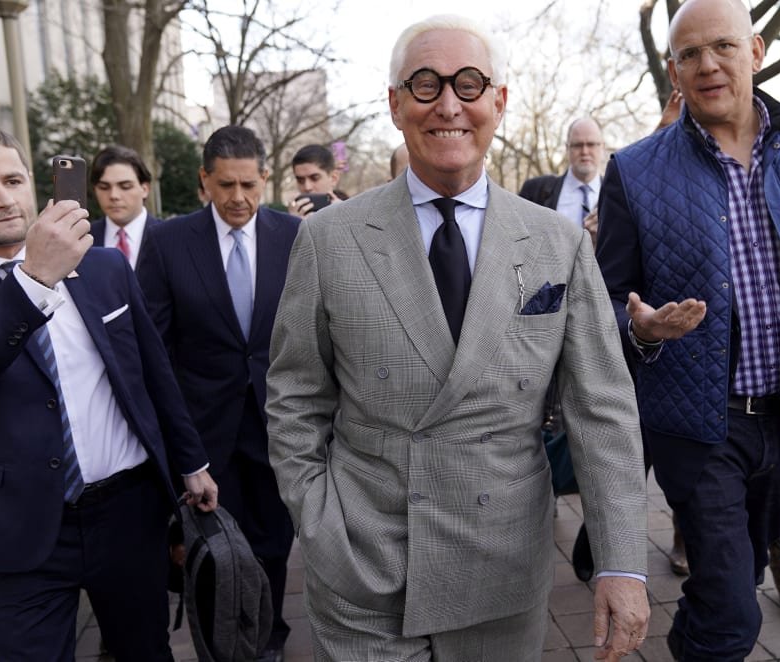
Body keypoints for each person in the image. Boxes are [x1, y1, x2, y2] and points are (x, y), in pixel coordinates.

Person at [266, 14, 649, 662]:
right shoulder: (330, 239)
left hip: (500, 570)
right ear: (394, 105)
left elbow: (602, 408)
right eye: (425, 84)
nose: (449, 104)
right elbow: (295, 396)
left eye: (469, 84)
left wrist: (622, 563)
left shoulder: (557, 243)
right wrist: (319, 519)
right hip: (367, 567)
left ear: (499, 101)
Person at [594, 0, 780, 659]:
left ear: (755, 52)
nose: (708, 65)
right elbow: (607, 301)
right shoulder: (635, 170)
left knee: (736, 577)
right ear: (674, 72)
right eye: (689, 55)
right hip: (700, 429)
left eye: (723, 47)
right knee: (735, 612)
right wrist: (642, 326)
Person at [0, 112, 218, 660]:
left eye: (13, 180)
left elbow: (152, 376)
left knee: (146, 652)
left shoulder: (106, 267)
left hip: (128, 511)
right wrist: (33, 279)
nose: (5, 198)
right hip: (21, 526)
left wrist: (192, 463)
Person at [136, 125, 299, 662]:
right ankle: (219, 649)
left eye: (249, 184)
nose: (238, 197)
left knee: (274, 546)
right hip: (202, 434)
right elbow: (152, 351)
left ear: (264, 178)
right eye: (225, 184)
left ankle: (269, 636)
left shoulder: (294, 237)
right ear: (204, 181)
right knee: (211, 553)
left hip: (277, 427)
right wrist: (175, 446)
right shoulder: (166, 242)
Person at [518, 116, 604, 227]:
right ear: (567, 148)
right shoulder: (535, 191)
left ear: (602, 147)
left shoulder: (618, 197)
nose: (585, 151)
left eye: (591, 144)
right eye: (578, 145)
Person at [88, 144, 160, 269]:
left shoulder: (169, 238)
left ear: (145, 189)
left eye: (125, 186)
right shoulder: (82, 241)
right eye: (104, 187)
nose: (114, 195)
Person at [286, 143, 343, 217]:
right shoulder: (289, 219)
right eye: (300, 180)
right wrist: (292, 223)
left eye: (315, 178)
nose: (307, 187)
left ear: (333, 178)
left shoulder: (351, 214)